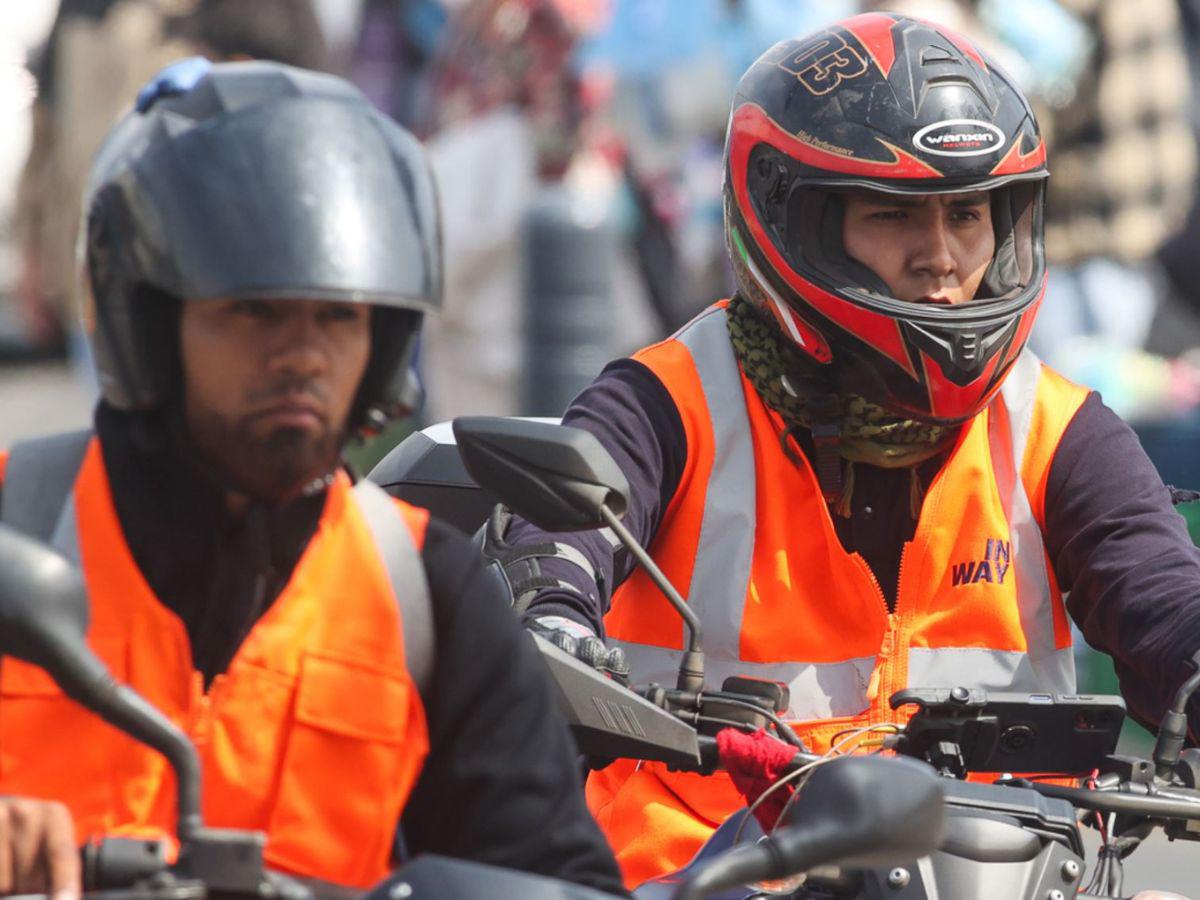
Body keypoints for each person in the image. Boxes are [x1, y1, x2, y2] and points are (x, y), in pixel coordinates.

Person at [494, 12, 1200, 887]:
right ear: (796, 225)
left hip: (1008, 873)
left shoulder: (1059, 430)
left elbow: (1162, 592)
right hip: (704, 872)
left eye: (969, 216)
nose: (941, 260)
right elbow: (557, 528)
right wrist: (551, 616)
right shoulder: (668, 403)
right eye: (893, 215)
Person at [0, 59, 625, 898]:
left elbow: (553, 874)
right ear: (148, 319)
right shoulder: (17, 522)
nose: (303, 357)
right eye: (252, 310)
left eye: (340, 316)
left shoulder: (425, 593)